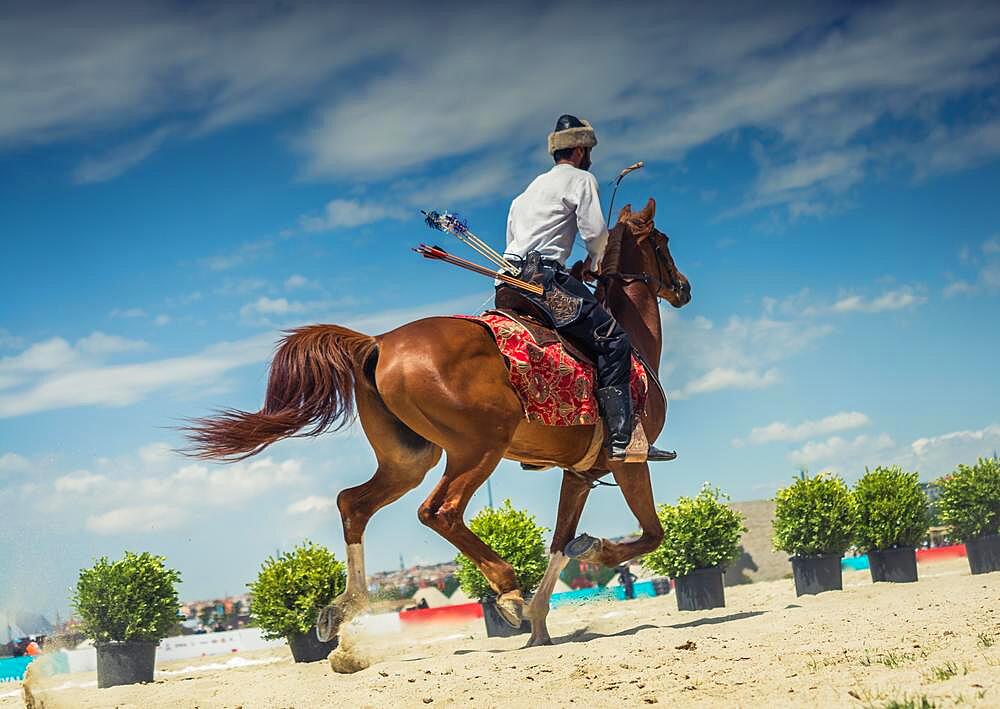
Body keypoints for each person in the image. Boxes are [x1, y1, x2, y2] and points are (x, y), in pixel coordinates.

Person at [499, 114, 674, 461]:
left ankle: (544, 442)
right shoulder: (581, 179)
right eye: (589, 149)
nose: (589, 155)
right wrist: (595, 264)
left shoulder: (524, 194)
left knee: (555, 347)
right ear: (580, 150)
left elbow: (515, 242)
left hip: (507, 283)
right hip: (543, 282)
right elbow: (595, 234)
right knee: (612, 340)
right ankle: (623, 438)